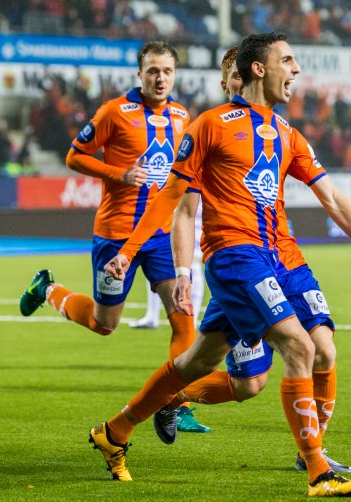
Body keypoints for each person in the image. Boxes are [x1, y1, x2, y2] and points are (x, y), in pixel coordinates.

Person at [87, 33, 351, 496]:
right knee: (297, 346)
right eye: (288, 60)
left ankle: (115, 431)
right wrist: (131, 251)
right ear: (259, 68)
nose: (296, 70)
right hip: (236, 255)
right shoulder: (210, 125)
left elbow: (333, 198)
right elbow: (174, 199)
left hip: (283, 255)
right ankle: (317, 467)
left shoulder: (289, 134)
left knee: (286, 353)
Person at [150, 45, 351, 474]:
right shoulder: (211, 131)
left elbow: (309, 193)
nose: (234, 83)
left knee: (269, 374)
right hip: (233, 263)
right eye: (228, 78)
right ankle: (311, 460)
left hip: (268, 261)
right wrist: (182, 270)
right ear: (227, 82)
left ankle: (307, 451)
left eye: (236, 75)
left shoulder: (276, 131)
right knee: (256, 376)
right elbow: (183, 208)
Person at [17, 40, 208, 432]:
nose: (160, 78)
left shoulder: (180, 115)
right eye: (153, 71)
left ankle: (172, 404)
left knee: (183, 316)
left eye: (167, 71)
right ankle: (47, 289)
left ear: (175, 75)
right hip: (116, 235)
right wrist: (117, 174)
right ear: (140, 74)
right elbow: (74, 156)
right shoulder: (114, 112)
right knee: (105, 324)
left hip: (159, 235)